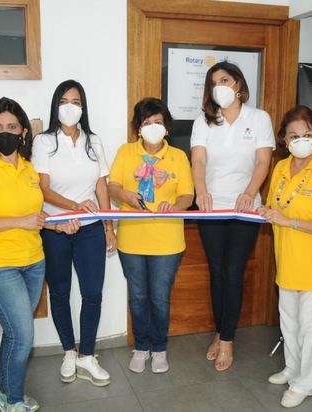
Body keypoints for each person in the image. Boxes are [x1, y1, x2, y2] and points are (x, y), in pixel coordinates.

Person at [0, 97, 78, 412]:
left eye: (11, 127)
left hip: (32, 262)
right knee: (22, 332)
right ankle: (13, 401)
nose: (5, 133)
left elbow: (35, 215)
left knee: (15, 332)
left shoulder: (29, 169)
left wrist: (57, 226)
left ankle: (4, 389)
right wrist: (19, 221)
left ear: (23, 131)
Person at [190, 61, 274, 371]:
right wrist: (201, 193)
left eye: (224, 79)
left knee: (233, 271)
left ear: (238, 83)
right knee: (216, 271)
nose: (219, 87)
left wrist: (250, 192)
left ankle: (228, 340)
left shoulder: (259, 118)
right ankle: (219, 331)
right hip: (212, 208)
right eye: (214, 82)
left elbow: (263, 161)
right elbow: (198, 160)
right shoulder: (204, 121)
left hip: (245, 209)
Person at [31, 80, 115, 386]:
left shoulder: (94, 141)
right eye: (65, 101)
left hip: (91, 230)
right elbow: (43, 188)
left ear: (83, 107)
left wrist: (109, 226)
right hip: (55, 230)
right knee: (61, 293)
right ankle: (69, 350)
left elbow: (101, 185)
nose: (70, 107)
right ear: (56, 105)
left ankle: (87, 356)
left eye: (76, 102)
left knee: (92, 294)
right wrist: (74, 206)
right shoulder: (43, 142)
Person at [258, 105, 312, 408]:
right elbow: (274, 206)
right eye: (293, 135)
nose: (300, 139)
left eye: (306, 134)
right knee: (289, 322)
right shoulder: (281, 167)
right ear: (283, 139)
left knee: (309, 326)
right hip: (288, 260)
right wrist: (265, 213)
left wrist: (290, 221)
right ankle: (292, 369)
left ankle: (305, 383)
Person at [108, 97, 194, 374]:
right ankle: (141, 346)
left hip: (168, 240)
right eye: (147, 123)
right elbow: (112, 187)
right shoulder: (125, 152)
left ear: (166, 127)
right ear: (138, 128)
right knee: (137, 296)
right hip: (132, 237)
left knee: (159, 297)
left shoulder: (179, 157)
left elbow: (187, 195)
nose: (153, 127)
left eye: (158, 122)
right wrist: (126, 196)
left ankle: (159, 348)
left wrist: (176, 205)